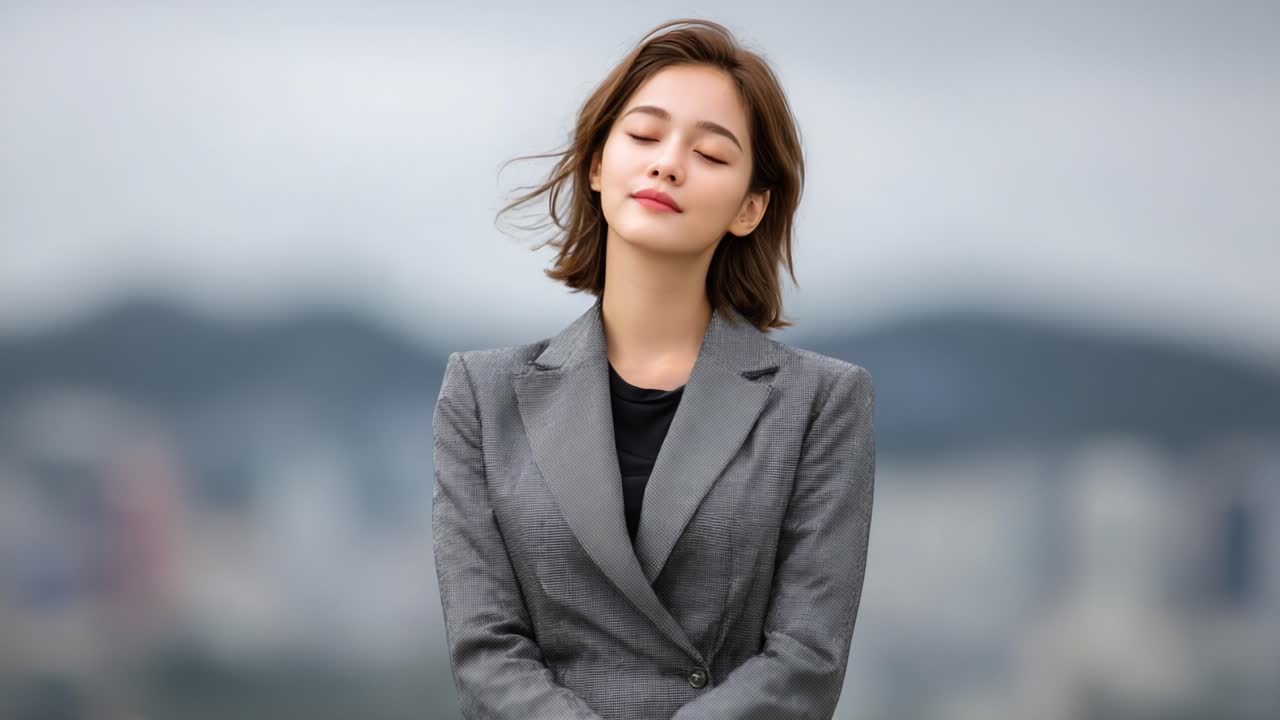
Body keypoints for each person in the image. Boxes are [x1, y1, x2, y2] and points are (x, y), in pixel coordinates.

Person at [431, 17, 875, 719]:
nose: (668, 164)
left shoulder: (821, 402)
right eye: (643, 136)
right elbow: (486, 654)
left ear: (750, 208)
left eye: (711, 153)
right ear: (597, 165)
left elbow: (805, 661)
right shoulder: (482, 397)